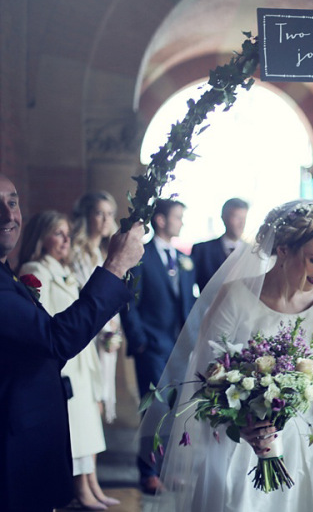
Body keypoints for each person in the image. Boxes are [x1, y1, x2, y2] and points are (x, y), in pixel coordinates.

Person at [142, 199, 313, 512]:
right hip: (240, 453)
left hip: (311, 452)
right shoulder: (235, 298)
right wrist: (239, 424)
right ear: (283, 249)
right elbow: (203, 382)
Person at [0, 173, 144, 512]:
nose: (8, 215)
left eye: (13, 202)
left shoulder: (8, 274)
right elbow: (53, 339)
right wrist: (115, 265)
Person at [17, 211, 119, 510]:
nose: (66, 239)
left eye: (67, 233)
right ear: (41, 237)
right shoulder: (34, 269)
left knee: (88, 428)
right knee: (75, 431)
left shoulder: (65, 270)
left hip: (82, 362)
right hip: (65, 366)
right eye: (58, 233)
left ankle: (92, 484)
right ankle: (80, 490)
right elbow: (44, 319)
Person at [119, 197, 197, 493]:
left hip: (181, 348)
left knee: (175, 411)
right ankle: (148, 472)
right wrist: (139, 341)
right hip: (151, 346)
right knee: (154, 410)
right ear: (161, 220)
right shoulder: (140, 256)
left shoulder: (183, 259)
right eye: (178, 216)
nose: (181, 222)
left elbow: (188, 302)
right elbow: (129, 302)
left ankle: (166, 469)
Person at [71, 191, 123, 424]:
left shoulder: (105, 253)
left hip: (107, 331)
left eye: (110, 214)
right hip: (89, 331)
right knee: (89, 399)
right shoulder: (77, 252)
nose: (105, 220)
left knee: (101, 394)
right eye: (99, 213)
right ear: (87, 216)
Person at [192, 197, 249, 291]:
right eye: (237, 217)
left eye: (244, 218)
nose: (241, 223)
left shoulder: (253, 252)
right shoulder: (202, 250)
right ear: (224, 217)